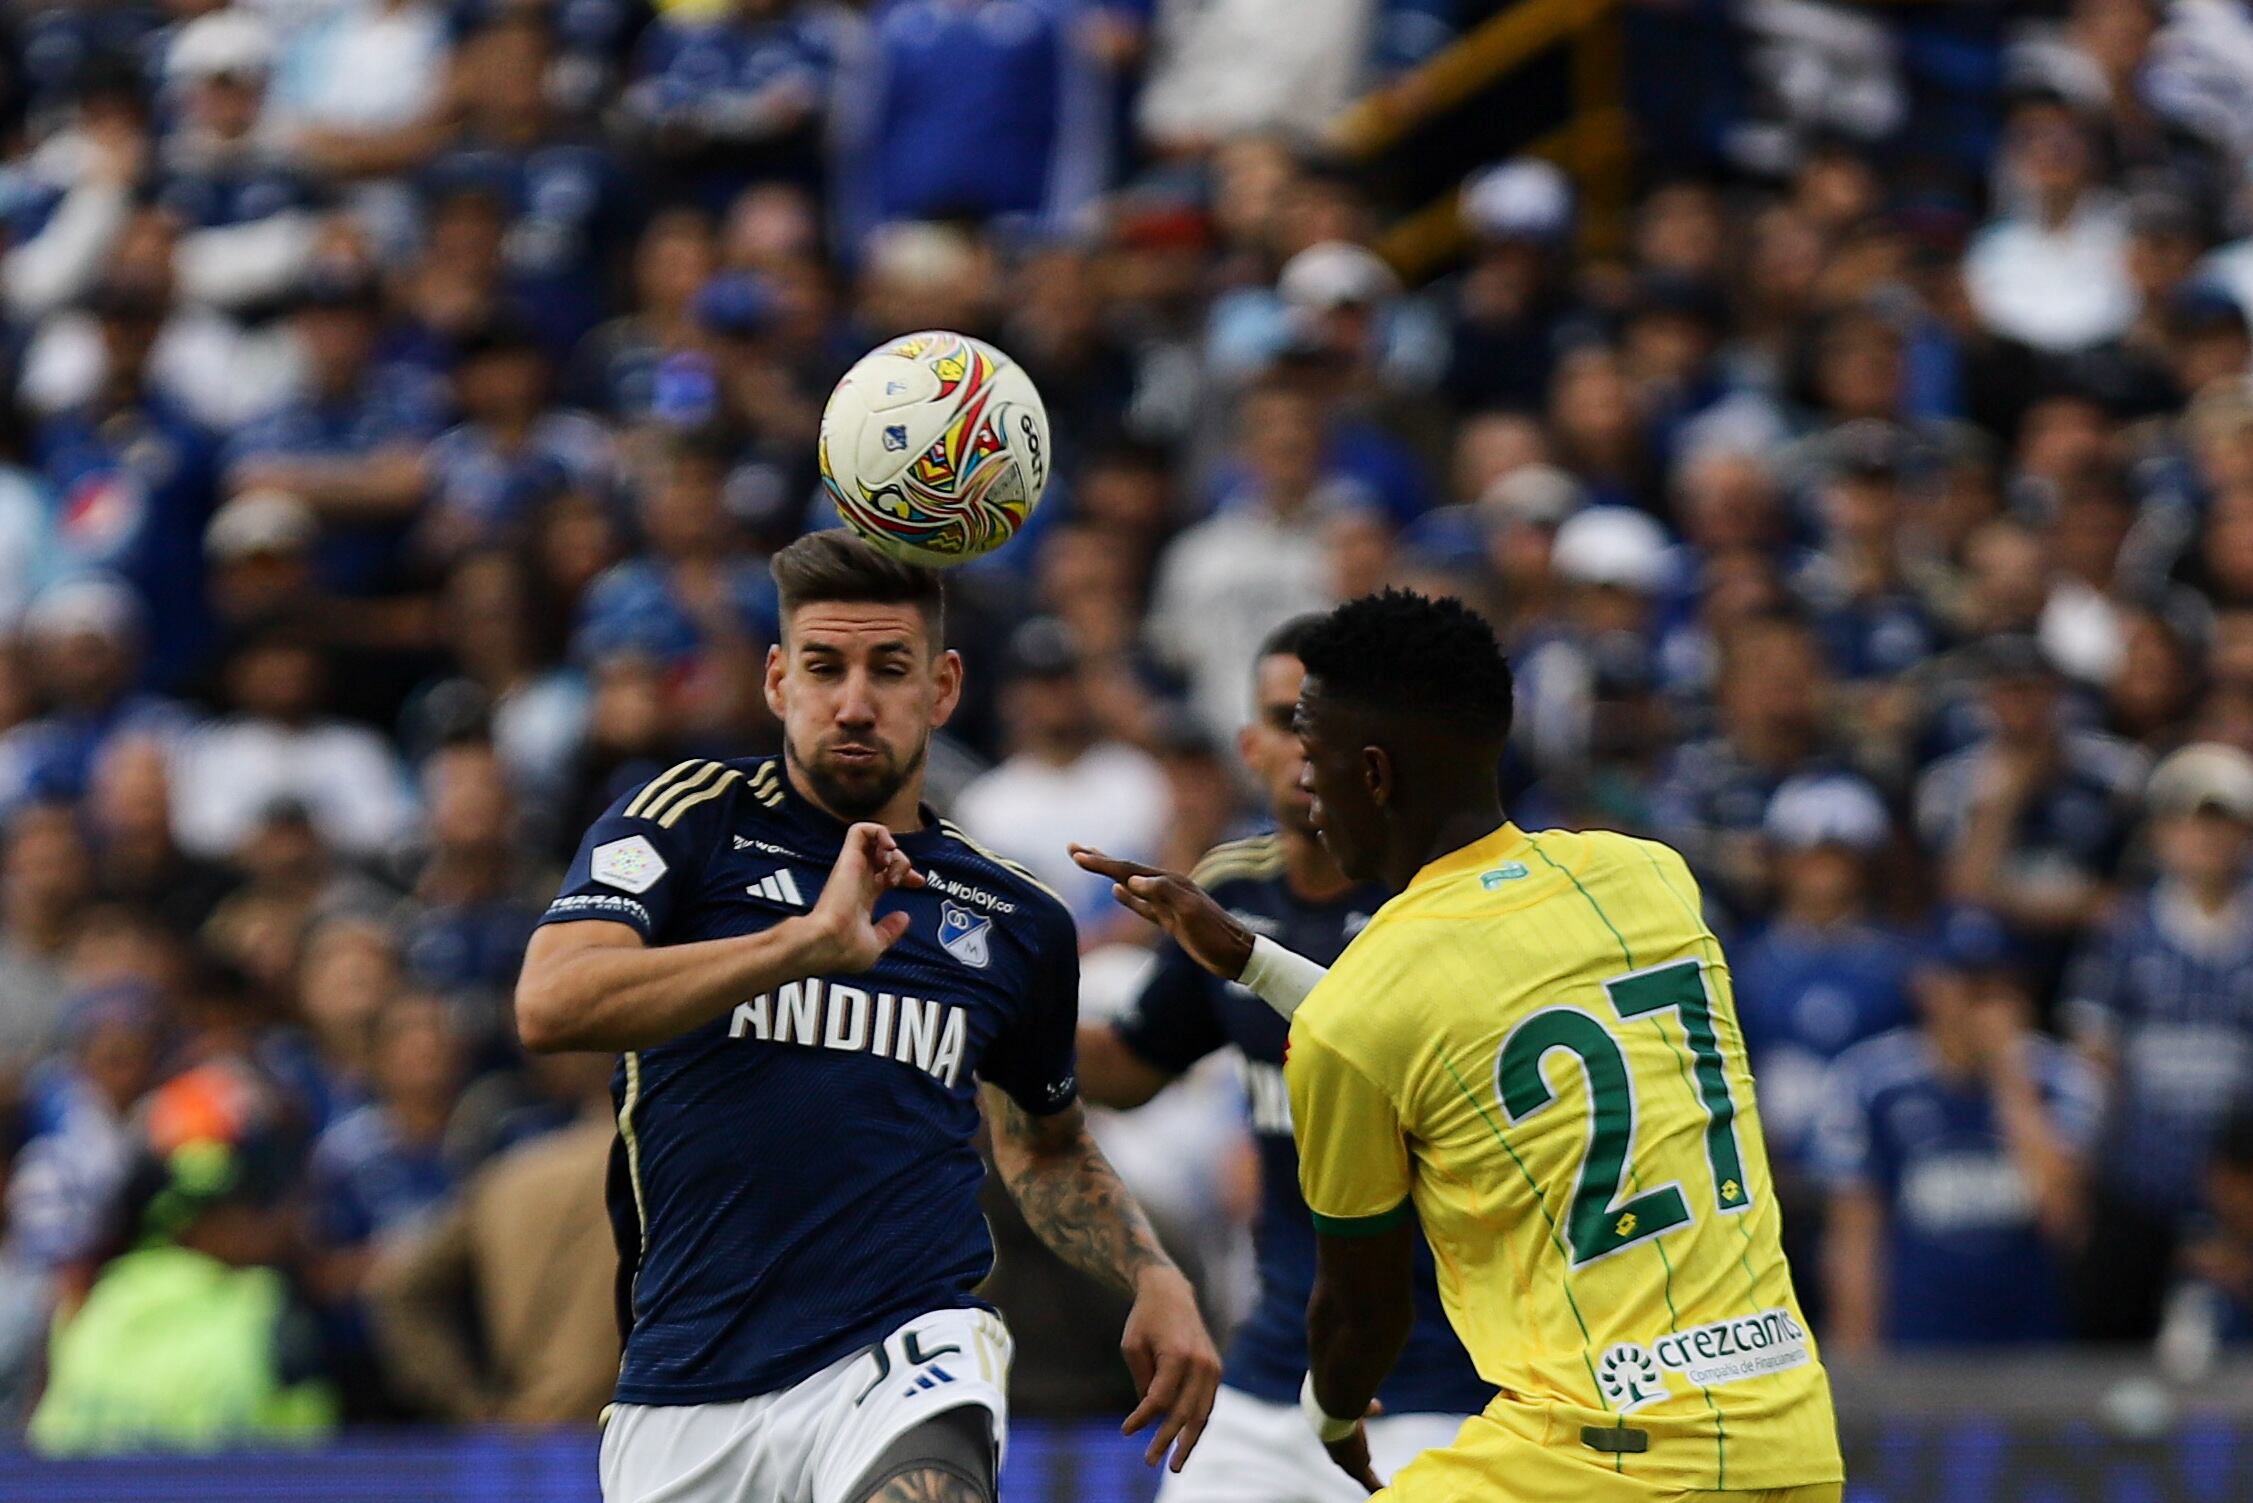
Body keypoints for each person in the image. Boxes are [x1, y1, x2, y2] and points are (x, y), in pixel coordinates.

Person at [1075, 589, 1840, 1501]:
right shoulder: (1647, 878)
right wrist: (1255, 963)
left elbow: (1363, 1310)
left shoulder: (1358, 1015)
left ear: (1373, 775)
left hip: (1594, 1457)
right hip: (1785, 1436)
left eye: (1315, 765)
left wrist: (1330, 1415)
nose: (1307, 799)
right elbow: (1453, 1013)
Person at [513, 530, 1219, 1503]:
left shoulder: (1013, 920)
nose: (853, 702)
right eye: (823, 666)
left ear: (942, 687)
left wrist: (1154, 1275)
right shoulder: (684, 822)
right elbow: (550, 1004)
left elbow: (1047, 1147)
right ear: (775, 681)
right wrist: (800, 945)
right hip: (686, 1388)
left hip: (906, 1351)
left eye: (889, 669)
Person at [1072, 614, 1492, 1502]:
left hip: (1440, 1385)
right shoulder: (1230, 891)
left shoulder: (1444, 900)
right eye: (1284, 721)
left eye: (1325, 726)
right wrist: (990, 1006)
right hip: (1268, 1374)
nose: (1306, 751)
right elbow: (1131, 1067)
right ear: (1248, 745)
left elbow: (1364, 1027)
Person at [1811, 906, 2100, 1351]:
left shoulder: (2060, 1080)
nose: (1977, 1005)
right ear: (1926, 986)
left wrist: (2011, 1079)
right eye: (1967, 985)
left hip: (2028, 1342)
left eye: (1994, 988)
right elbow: (1856, 1234)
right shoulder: (1870, 1082)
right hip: (1916, 1341)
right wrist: (1858, 1354)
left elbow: (2064, 1221)